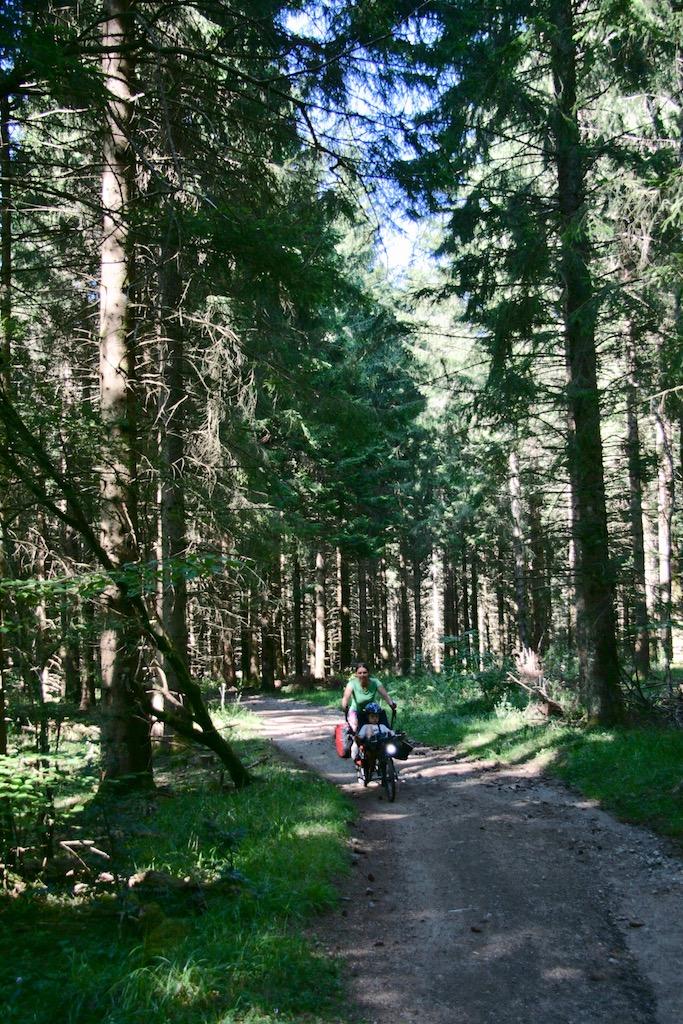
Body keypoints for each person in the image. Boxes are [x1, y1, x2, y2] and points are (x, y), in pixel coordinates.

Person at [341, 661, 396, 735]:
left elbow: (385, 695)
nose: (362, 675)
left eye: (364, 672)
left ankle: (388, 738)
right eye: (360, 673)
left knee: (383, 724)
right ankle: (355, 743)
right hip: (357, 711)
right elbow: (345, 698)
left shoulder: (375, 682)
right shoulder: (352, 684)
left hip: (372, 711)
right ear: (356, 674)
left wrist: (391, 704)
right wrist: (345, 706)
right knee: (354, 729)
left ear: (368, 673)